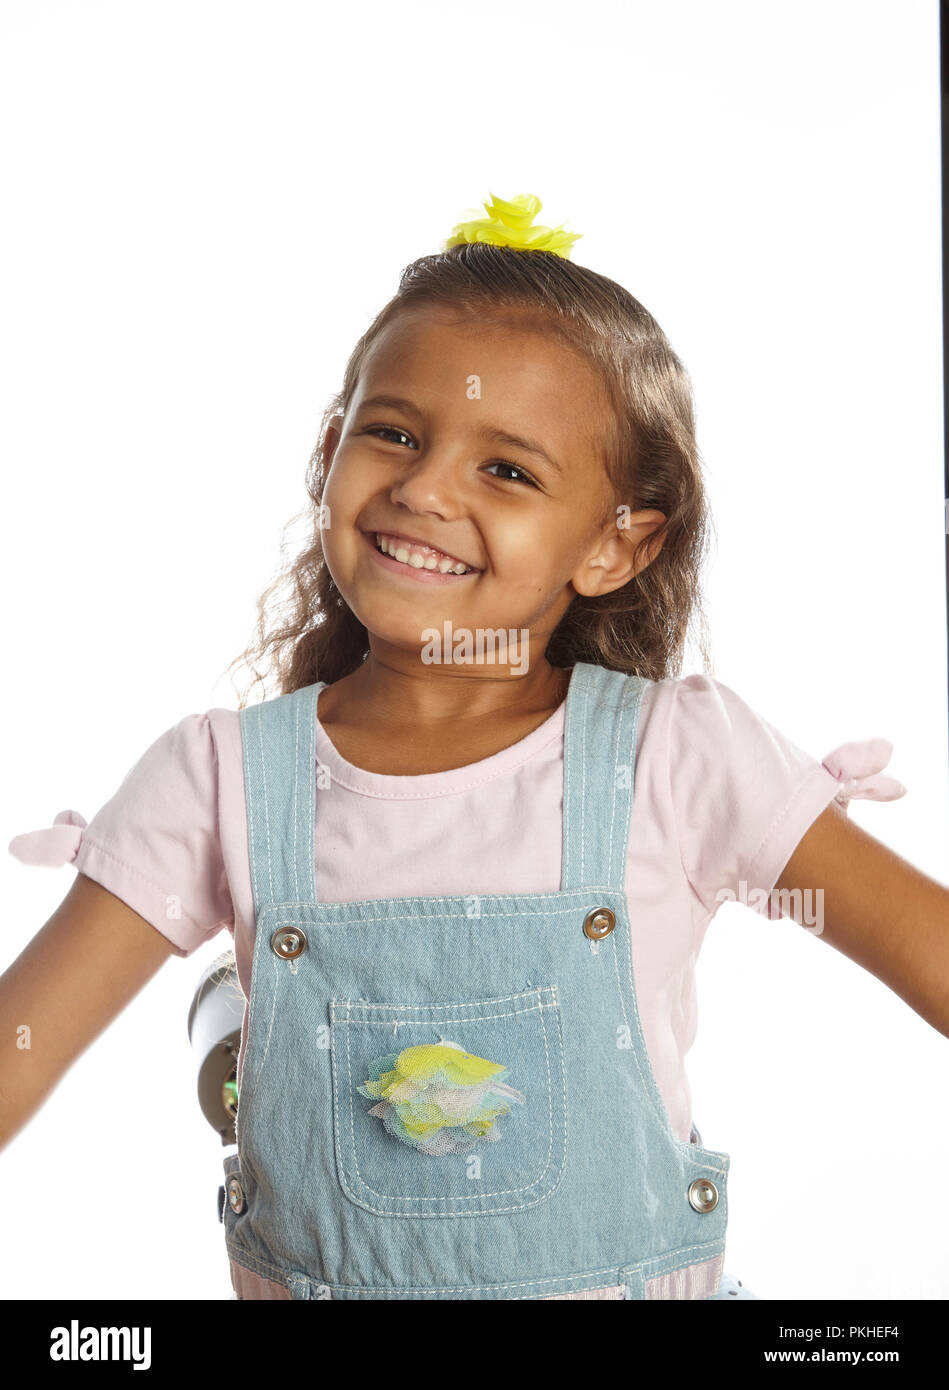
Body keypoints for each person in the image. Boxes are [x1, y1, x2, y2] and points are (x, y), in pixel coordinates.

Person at [4, 192, 944, 1302]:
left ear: (614, 543)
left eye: (507, 469)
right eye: (394, 432)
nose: (425, 487)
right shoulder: (218, 784)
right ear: (329, 452)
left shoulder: (676, 762)